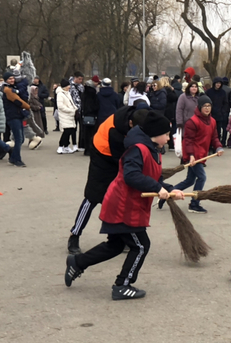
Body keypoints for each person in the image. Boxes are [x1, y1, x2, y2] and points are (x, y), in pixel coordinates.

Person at [64, 112, 186, 300]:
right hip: (123, 206)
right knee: (142, 246)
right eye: (167, 134)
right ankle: (122, 285)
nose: (169, 138)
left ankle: (77, 262)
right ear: (156, 133)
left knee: (115, 246)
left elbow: (156, 179)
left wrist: (171, 190)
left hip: (130, 206)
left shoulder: (153, 150)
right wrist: (156, 187)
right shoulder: (137, 149)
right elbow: (131, 176)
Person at [66, 104, 150, 254]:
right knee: (92, 197)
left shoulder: (138, 117)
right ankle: (75, 234)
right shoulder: (115, 132)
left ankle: (117, 237)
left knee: (118, 198)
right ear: (131, 124)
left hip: (117, 154)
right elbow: (123, 160)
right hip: (102, 154)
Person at [159, 95, 224, 213]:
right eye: (204, 106)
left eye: (209, 106)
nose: (207, 108)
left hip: (202, 155)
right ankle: (194, 203)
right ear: (199, 107)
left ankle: (167, 194)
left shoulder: (212, 121)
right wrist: (191, 155)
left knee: (189, 180)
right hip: (193, 155)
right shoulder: (192, 122)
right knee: (202, 177)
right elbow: (188, 140)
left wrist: (218, 147)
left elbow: (214, 137)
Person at [2, 71, 30, 166]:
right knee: (19, 138)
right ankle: (16, 159)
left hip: (17, 115)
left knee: (21, 139)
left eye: (13, 78)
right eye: (10, 78)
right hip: (13, 116)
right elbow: (18, 101)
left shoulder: (13, 88)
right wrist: (28, 106)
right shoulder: (7, 90)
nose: (12, 80)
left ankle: (12, 156)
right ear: (6, 80)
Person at [56, 79, 79, 154]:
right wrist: (71, 110)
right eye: (68, 85)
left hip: (70, 115)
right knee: (66, 131)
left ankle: (66, 146)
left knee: (71, 130)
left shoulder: (67, 93)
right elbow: (60, 106)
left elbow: (71, 102)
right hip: (65, 115)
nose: (69, 87)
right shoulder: (60, 94)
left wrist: (75, 108)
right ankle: (60, 146)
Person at [205, 77, 229, 147]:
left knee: (218, 131)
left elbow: (226, 103)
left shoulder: (223, 92)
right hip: (210, 114)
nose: (218, 85)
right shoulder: (209, 92)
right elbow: (205, 101)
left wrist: (223, 111)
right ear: (214, 84)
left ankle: (217, 145)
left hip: (219, 114)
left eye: (219, 83)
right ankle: (209, 145)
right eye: (217, 83)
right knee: (209, 131)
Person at [80, 79, 100, 155]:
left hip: (85, 115)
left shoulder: (84, 94)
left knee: (86, 133)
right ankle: (91, 149)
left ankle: (86, 148)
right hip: (92, 115)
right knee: (92, 133)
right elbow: (95, 106)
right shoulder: (94, 94)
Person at [159, 77, 178, 150]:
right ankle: (171, 144)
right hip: (169, 110)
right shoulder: (169, 90)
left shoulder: (159, 90)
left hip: (162, 110)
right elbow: (174, 98)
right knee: (171, 127)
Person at [69, 72, 85, 151]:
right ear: (75, 78)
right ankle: (73, 143)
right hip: (73, 109)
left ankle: (81, 144)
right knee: (73, 128)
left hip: (81, 109)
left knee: (82, 127)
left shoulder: (81, 87)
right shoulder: (70, 86)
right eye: (79, 79)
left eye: (81, 79)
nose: (80, 81)